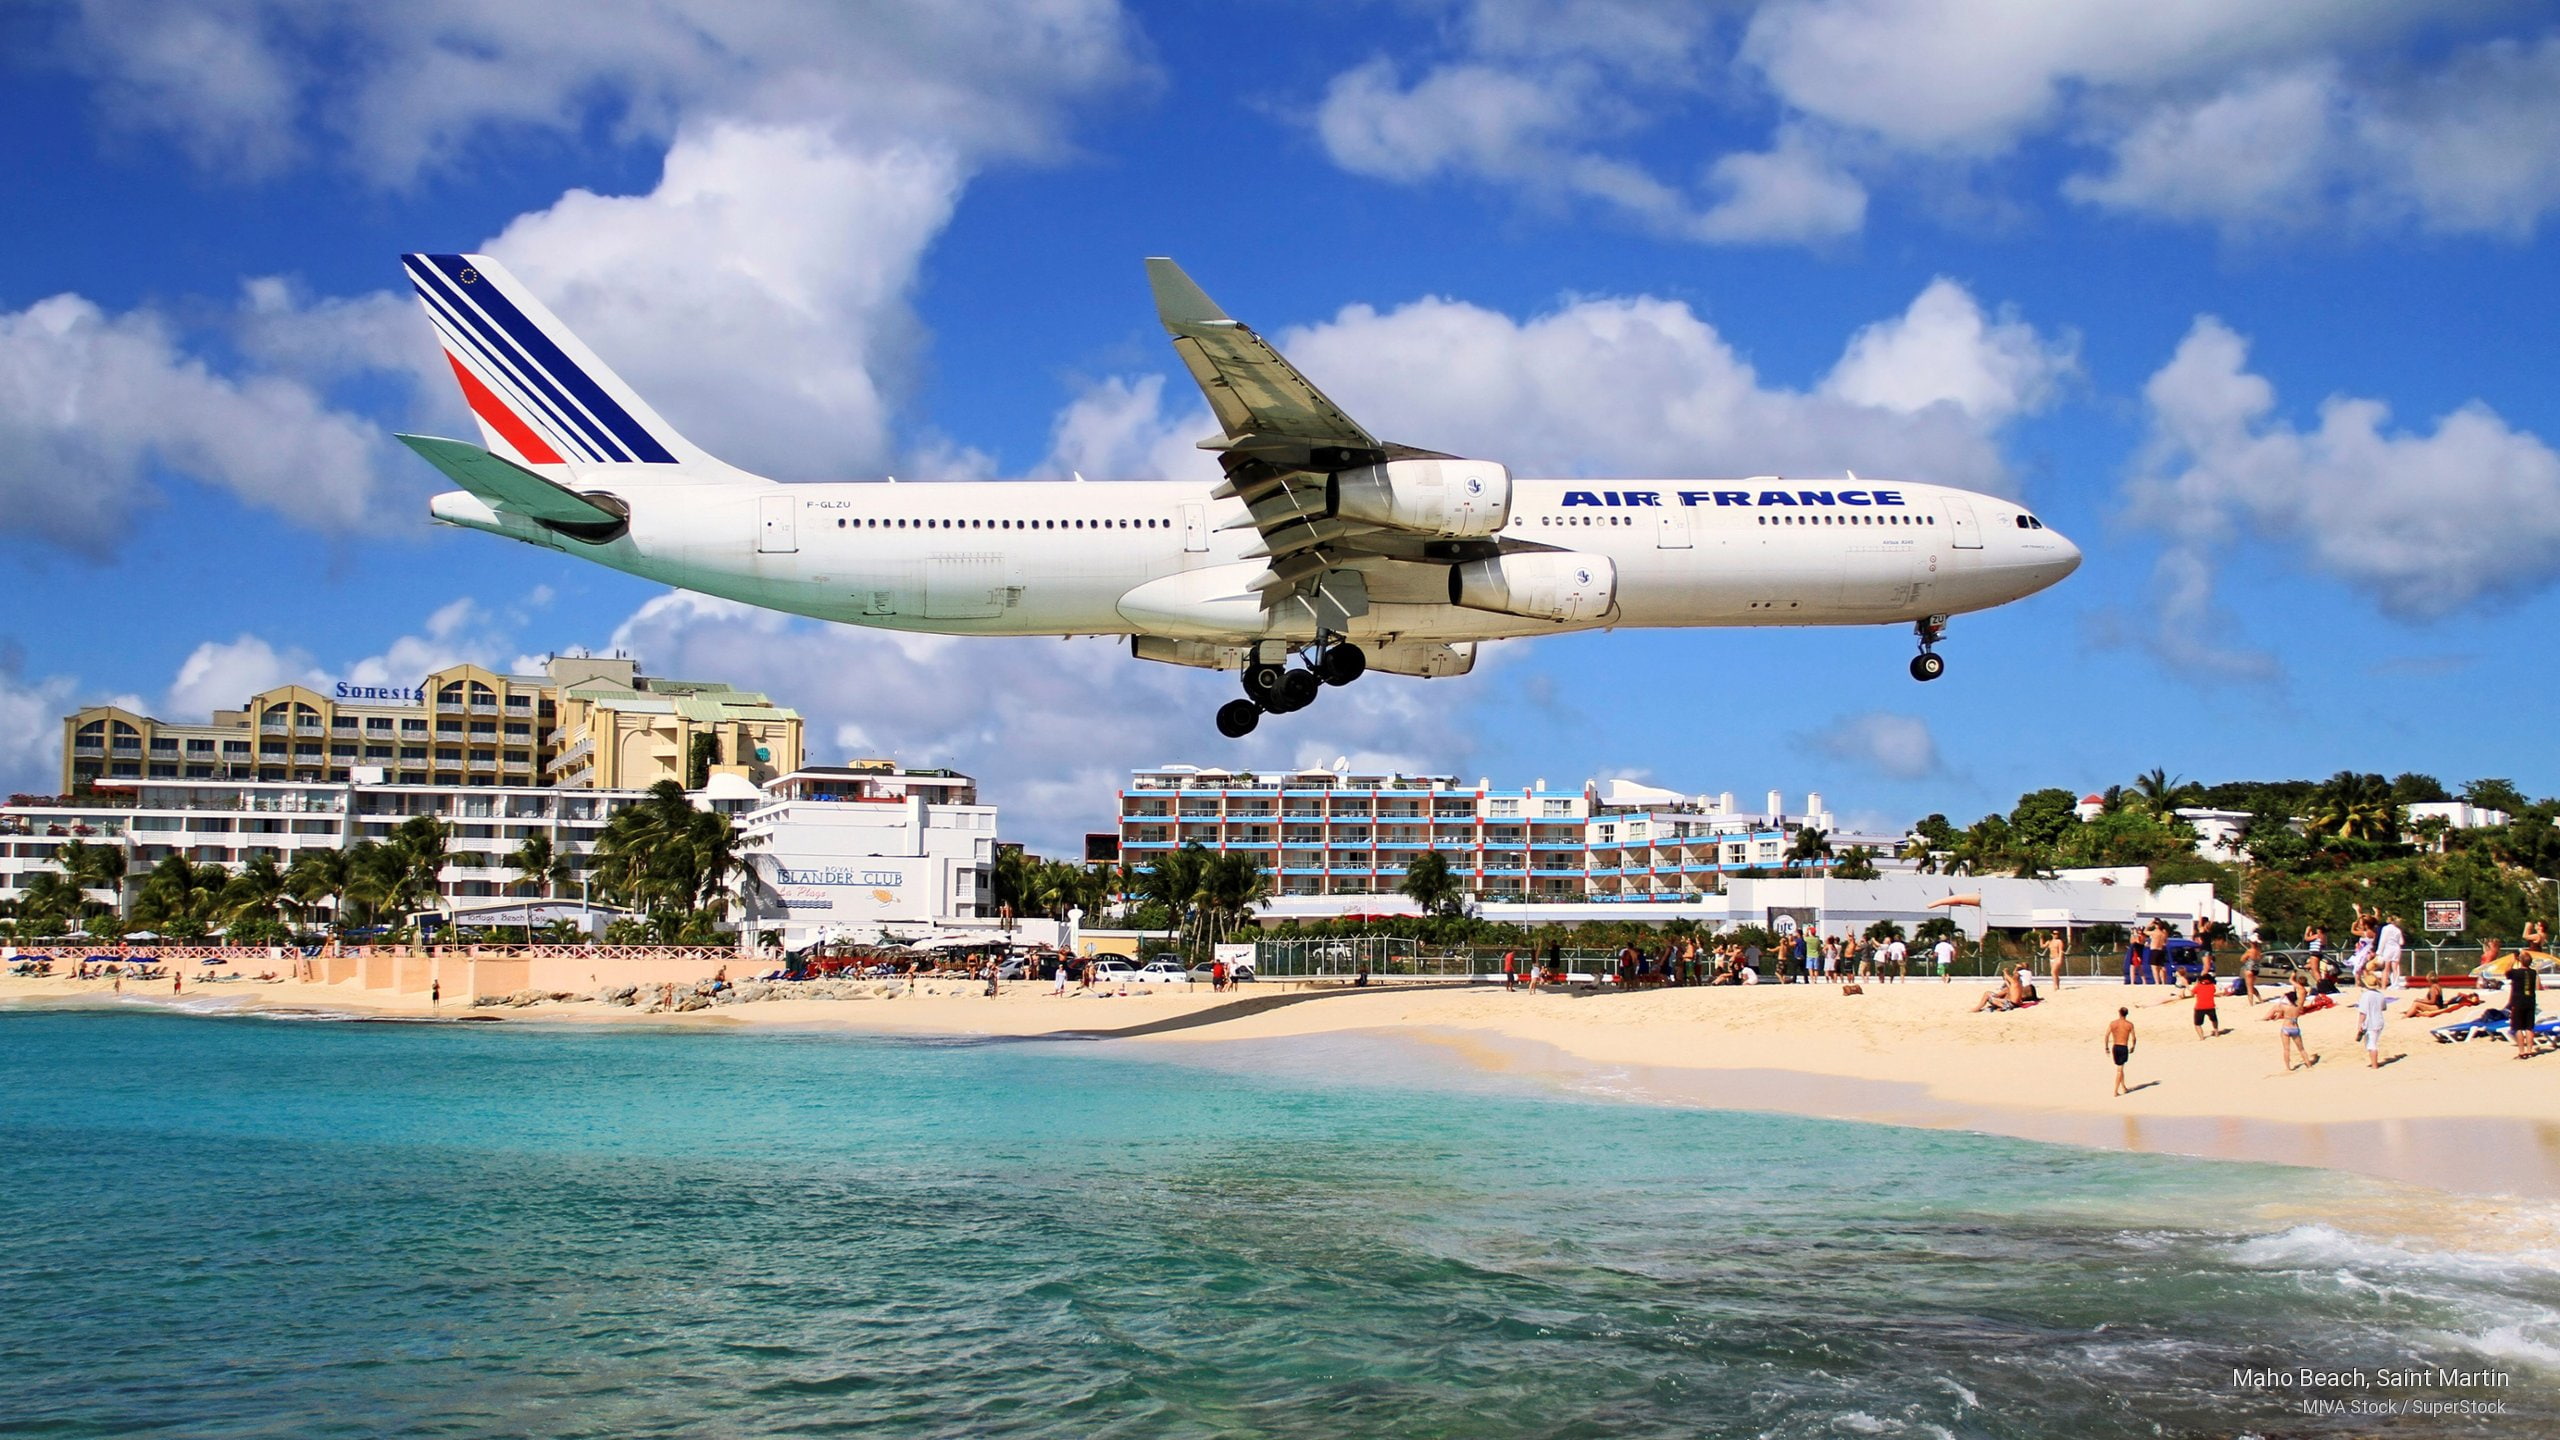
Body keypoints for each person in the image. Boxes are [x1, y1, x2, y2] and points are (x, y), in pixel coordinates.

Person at [2266, 986, 2314, 1071]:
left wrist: (2282, 998)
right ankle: (2308, 1064)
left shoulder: (2284, 1007)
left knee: (2286, 1049)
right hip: (2295, 1028)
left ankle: (2288, 1068)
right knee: (2301, 1049)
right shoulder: (2298, 1007)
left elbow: (2277, 1007)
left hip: (2286, 1027)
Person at [2354, 967, 2393, 1068]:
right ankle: (2374, 1063)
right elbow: (2384, 1008)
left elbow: (2363, 1012)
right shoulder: (2380, 995)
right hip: (2379, 1020)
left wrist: (2359, 1024)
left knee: (2371, 1044)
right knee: (2372, 1041)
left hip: (2370, 1022)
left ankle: (2374, 1065)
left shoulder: (2365, 995)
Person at [2511, 949, 2541, 1060]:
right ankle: (2530, 1050)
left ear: (2520, 961)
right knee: (2529, 1027)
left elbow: (2507, 971)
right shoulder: (2533, 973)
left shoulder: (2516, 973)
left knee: (2518, 1028)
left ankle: (2522, 1051)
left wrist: (2513, 959)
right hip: (2530, 1001)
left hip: (2519, 1001)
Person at [2106, 1008, 2137, 1096]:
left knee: (2120, 1068)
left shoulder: (2113, 1023)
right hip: (2123, 1047)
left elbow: (2107, 1035)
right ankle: (2115, 1091)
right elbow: (2134, 1038)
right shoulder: (2129, 1025)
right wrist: (2133, 1047)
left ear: (2119, 1013)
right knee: (2120, 1070)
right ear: (2127, 1014)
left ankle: (2123, 1087)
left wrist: (2106, 1047)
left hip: (2115, 1047)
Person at [2375, 911, 2406, 989]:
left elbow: (2383, 940)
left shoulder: (2385, 929)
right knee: (2395, 968)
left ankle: (2383, 986)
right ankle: (2395, 984)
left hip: (2388, 948)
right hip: (2396, 948)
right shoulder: (2398, 930)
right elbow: (2401, 942)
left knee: (2386, 968)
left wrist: (2379, 951)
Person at [2191, 967, 2223, 1037]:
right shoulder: (2212, 986)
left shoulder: (2198, 986)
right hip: (2211, 1006)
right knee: (2214, 1020)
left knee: (2197, 1024)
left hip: (2200, 1007)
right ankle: (2216, 1033)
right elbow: (2213, 992)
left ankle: (2201, 1037)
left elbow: (2192, 993)